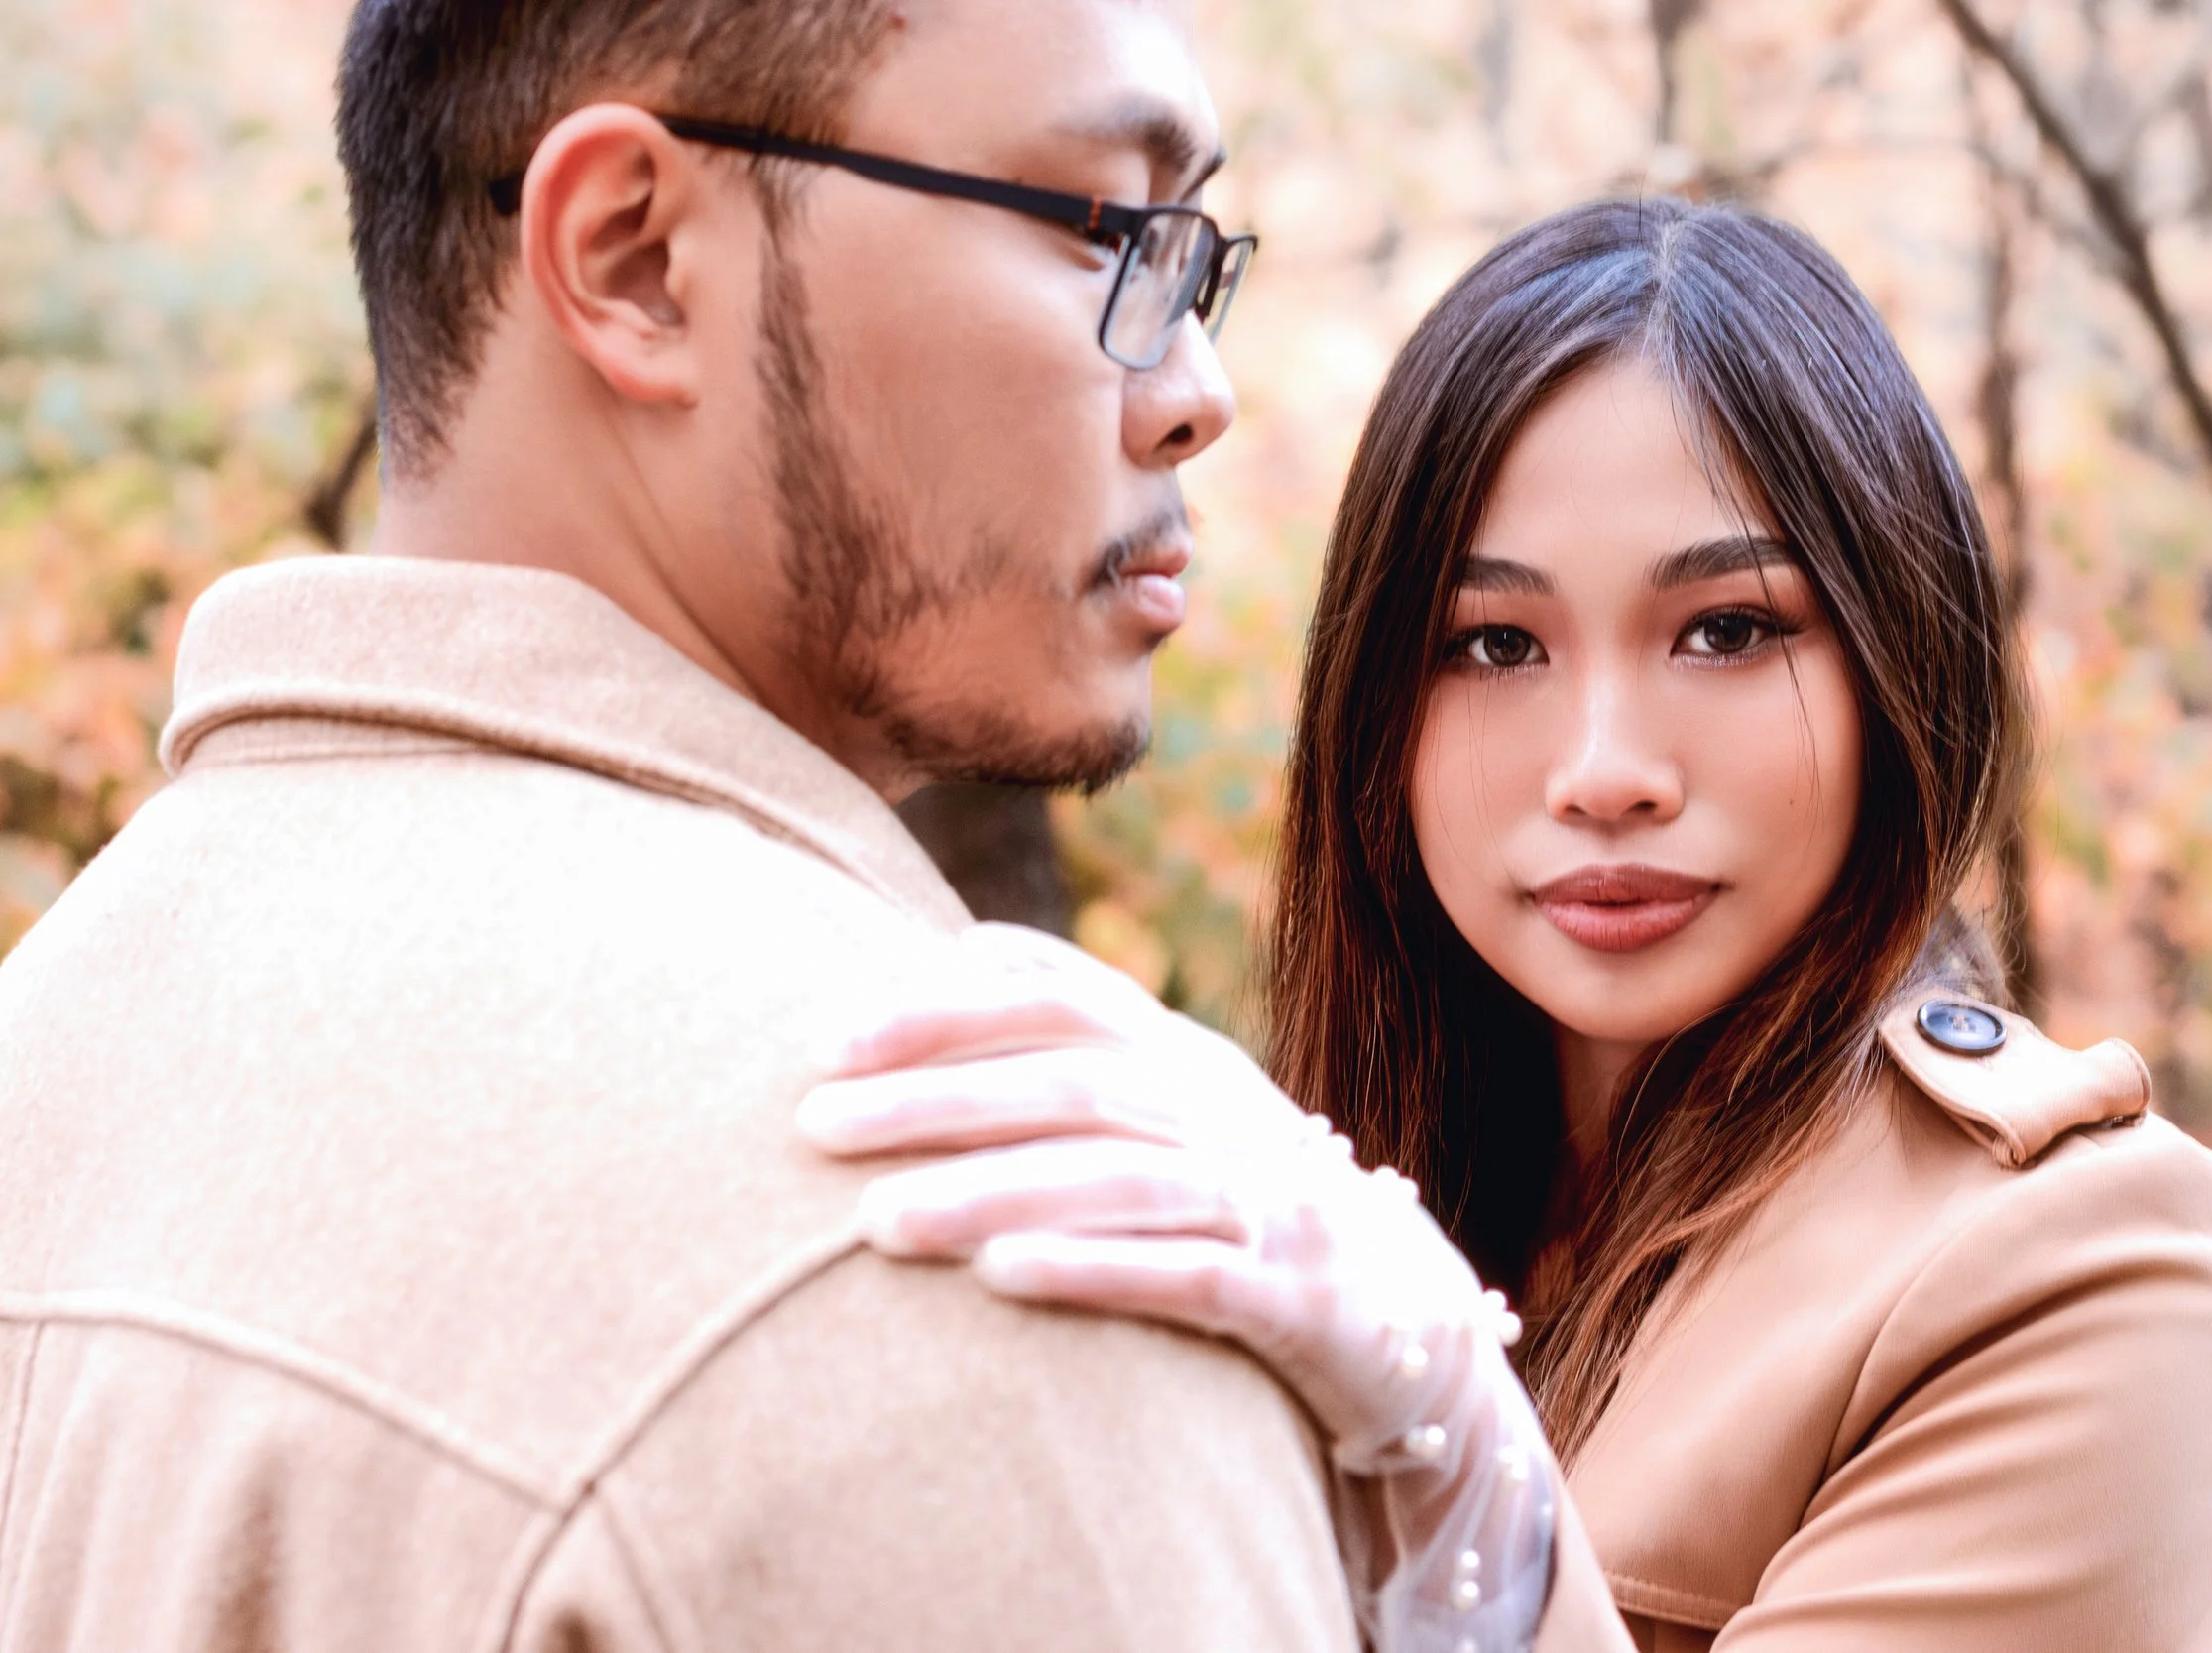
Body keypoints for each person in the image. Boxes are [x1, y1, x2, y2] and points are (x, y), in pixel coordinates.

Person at [0, 2, 1631, 1649]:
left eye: (1193, 254)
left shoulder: (60, 1027)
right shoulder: (985, 1247)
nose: (1194, 391)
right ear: (635, 259)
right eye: (1102, 234)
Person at [799, 198, 2212, 1651]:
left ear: (1894, 657)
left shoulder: (2084, 1260)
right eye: (1493, 643)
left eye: (1728, 629)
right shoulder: (1315, 1196)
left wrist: (1457, 1457)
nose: (1605, 772)